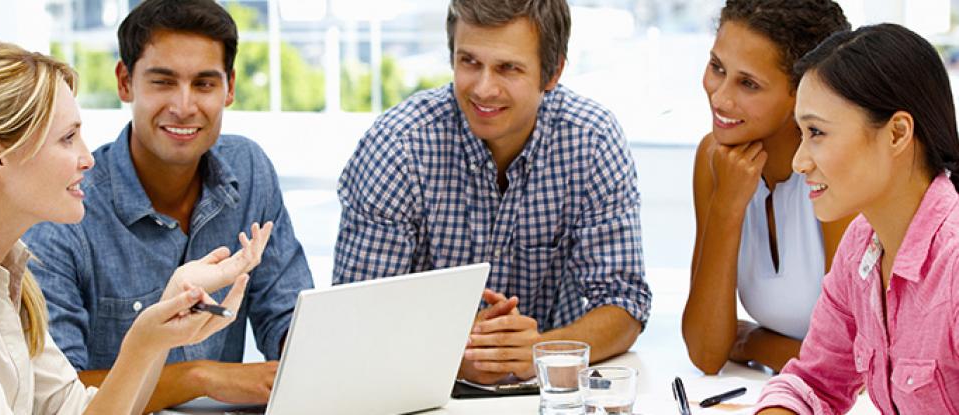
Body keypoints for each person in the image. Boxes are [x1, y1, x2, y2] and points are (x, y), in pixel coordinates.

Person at [0, 37, 269, 414]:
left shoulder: (9, 276)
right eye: (67, 138)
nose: (87, 158)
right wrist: (142, 344)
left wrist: (157, 330)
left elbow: (73, 410)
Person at [332, 0, 651, 384]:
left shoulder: (592, 140)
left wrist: (540, 352)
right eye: (469, 62)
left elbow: (624, 303)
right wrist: (450, 355)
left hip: (549, 394)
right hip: (413, 391)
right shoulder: (397, 147)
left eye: (508, 68)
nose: (483, 88)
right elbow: (354, 320)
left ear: (553, 73)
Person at [22, 0, 313, 410]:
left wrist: (305, 358)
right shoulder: (65, 207)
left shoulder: (249, 171)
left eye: (204, 84)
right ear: (125, 82)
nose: (183, 106)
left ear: (229, 88)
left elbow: (288, 314)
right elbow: (56, 394)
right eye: (162, 82)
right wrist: (201, 378)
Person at [754, 23, 959, 414]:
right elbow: (812, 382)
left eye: (817, 132)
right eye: (801, 133)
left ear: (897, 133)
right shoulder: (861, 247)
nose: (799, 161)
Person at [682, 0, 852, 374]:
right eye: (717, 68)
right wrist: (726, 206)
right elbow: (707, 352)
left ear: (803, 91)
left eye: (748, 83)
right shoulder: (715, 160)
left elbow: (853, 360)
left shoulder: (840, 171)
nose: (719, 97)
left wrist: (752, 341)